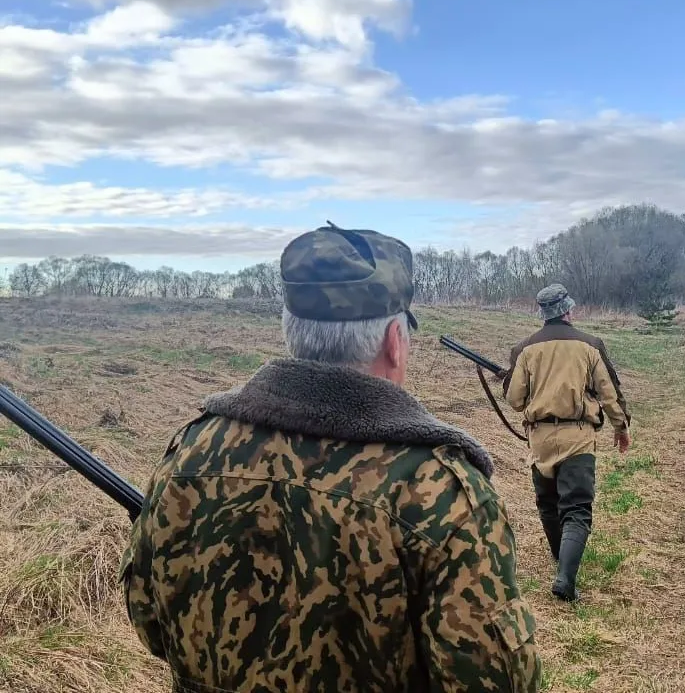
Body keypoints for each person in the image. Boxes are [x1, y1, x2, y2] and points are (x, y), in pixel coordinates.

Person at [119, 224, 541, 692]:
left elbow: (150, 621)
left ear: (291, 331)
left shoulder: (193, 451)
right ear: (395, 342)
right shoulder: (438, 492)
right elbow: (495, 680)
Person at [501, 284, 631, 602]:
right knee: (576, 508)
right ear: (569, 311)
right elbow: (609, 393)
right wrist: (621, 426)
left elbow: (515, 400)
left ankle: (562, 564)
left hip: (541, 439)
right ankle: (566, 579)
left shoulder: (525, 348)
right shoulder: (590, 345)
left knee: (548, 504)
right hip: (578, 438)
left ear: (543, 314)